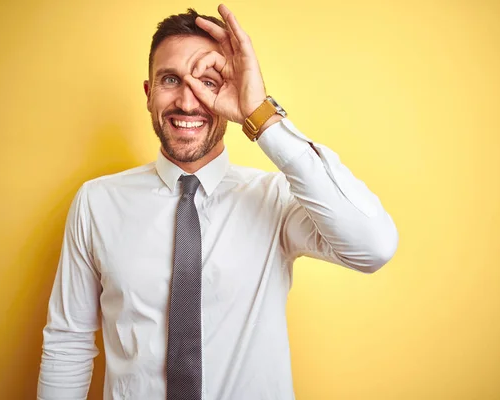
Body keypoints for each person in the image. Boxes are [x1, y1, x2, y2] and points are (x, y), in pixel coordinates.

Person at [37, 4, 399, 400]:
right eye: (171, 79)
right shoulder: (97, 202)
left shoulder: (276, 200)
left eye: (207, 82)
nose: (188, 103)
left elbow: (374, 247)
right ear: (148, 93)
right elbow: (67, 342)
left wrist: (260, 116)